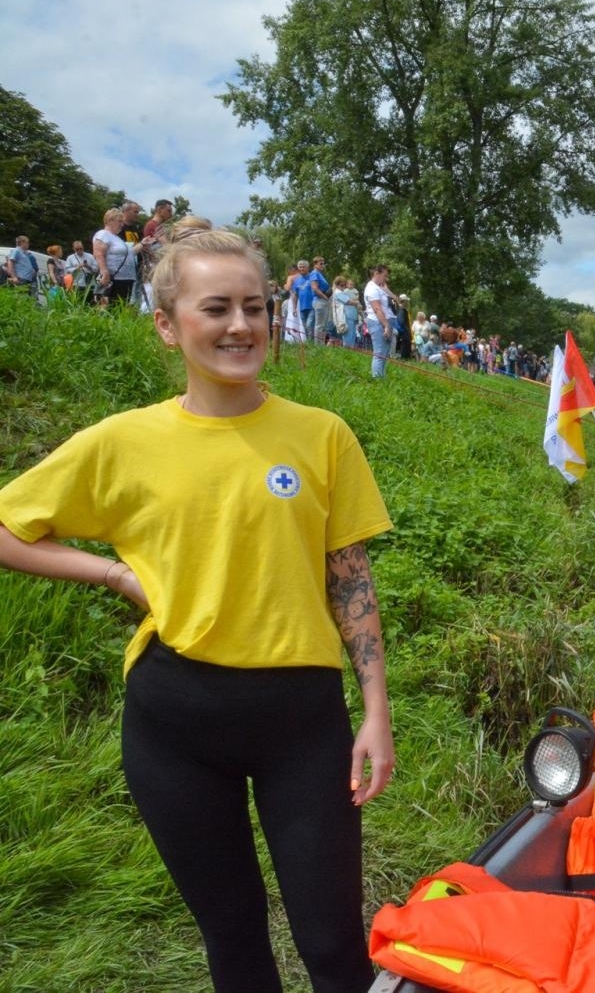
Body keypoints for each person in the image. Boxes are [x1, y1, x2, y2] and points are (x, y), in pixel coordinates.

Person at [0, 228, 394, 992]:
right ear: (166, 324)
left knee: (335, 945)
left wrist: (375, 707)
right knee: (235, 942)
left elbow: (350, 578)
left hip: (303, 725)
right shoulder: (122, 443)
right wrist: (113, 575)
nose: (241, 325)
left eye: (256, 306)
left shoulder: (321, 436)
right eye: (216, 308)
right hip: (175, 722)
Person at [94, 207, 147, 306]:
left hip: (125, 279)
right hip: (113, 279)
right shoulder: (103, 234)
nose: (122, 225)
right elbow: (99, 253)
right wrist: (104, 271)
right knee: (109, 307)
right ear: (110, 220)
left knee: (120, 307)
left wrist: (142, 244)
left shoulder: (116, 238)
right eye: (119, 221)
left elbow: (130, 253)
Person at [363, 264, 396, 378]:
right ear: (376, 273)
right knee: (379, 353)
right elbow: (377, 309)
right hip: (378, 323)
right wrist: (386, 325)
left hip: (383, 322)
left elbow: (396, 300)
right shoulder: (371, 288)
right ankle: (377, 379)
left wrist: (386, 289)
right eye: (384, 275)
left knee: (384, 353)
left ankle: (382, 376)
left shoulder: (379, 287)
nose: (386, 279)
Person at [6, 234, 41, 305]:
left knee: (26, 299)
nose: (28, 244)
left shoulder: (24, 253)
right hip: (21, 278)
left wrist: (32, 271)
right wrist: (14, 277)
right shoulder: (16, 250)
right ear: (22, 242)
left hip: (27, 279)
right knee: (20, 298)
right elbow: (10, 262)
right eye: (27, 242)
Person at [307, 257, 332, 343]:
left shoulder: (319, 274)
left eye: (323, 263)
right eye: (320, 263)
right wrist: (325, 297)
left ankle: (321, 344)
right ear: (315, 264)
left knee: (323, 325)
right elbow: (314, 288)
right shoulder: (314, 273)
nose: (322, 265)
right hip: (319, 300)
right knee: (319, 325)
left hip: (323, 301)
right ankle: (318, 345)